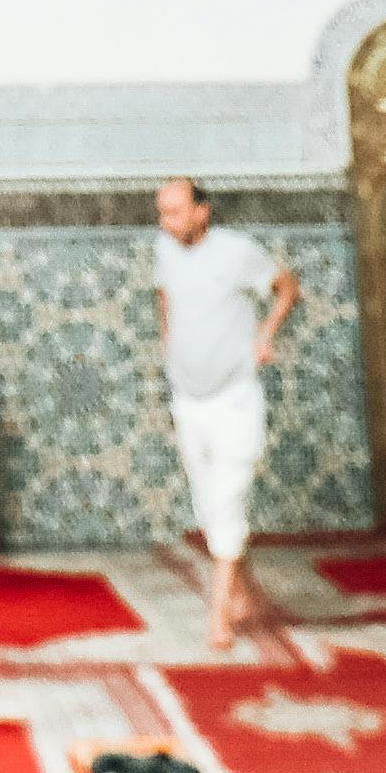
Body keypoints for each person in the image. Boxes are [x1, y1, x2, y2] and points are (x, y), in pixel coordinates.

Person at [147, 176, 300, 646]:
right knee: (209, 500)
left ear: (202, 211)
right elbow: (166, 296)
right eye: (162, 212)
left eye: (175, 211)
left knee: (227, 495)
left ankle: (218, 616)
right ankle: (246, 592)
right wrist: (169, 341)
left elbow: (287, 287)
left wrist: (266, 335)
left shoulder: (236, 251)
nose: (167, 221)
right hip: (188, 397)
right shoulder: (164, 249)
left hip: (234, 396)